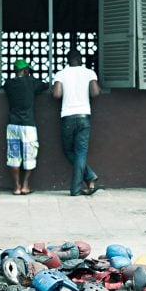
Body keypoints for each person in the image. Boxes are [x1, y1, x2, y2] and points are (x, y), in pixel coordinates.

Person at [52, 49, 101, 196]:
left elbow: (56, 94)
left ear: (68, 61)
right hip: (84, 116)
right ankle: (87, 178)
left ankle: (82, 183)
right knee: (81, 152)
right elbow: (95, 93)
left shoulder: (61, 74)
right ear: (81, 60)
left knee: (68, 151)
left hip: (67, 116)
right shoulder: (89, 73)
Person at [3, 59, 49, 195]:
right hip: (28, 125)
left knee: (13, 156)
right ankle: (25, 185)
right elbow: (45, 86)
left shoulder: (9, 83)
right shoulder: (31, 82)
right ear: (26, 71)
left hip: (12, 125)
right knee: (30, 156)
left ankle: (16, 187)